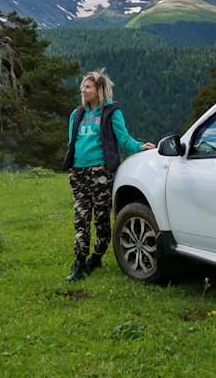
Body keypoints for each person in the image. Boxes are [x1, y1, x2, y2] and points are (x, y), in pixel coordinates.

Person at [64, 70, 155, 281]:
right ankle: (79, 263)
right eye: (82, 87)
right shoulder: (76, 114)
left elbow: (124, 139)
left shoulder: (111, 113)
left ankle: (96, 257)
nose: (83, 90)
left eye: (87, 87)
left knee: (103, 221)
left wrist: (140, 146)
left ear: (99, 90)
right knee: (81, 220)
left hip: (101, 173)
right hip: (79, 173)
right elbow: (72, 144)